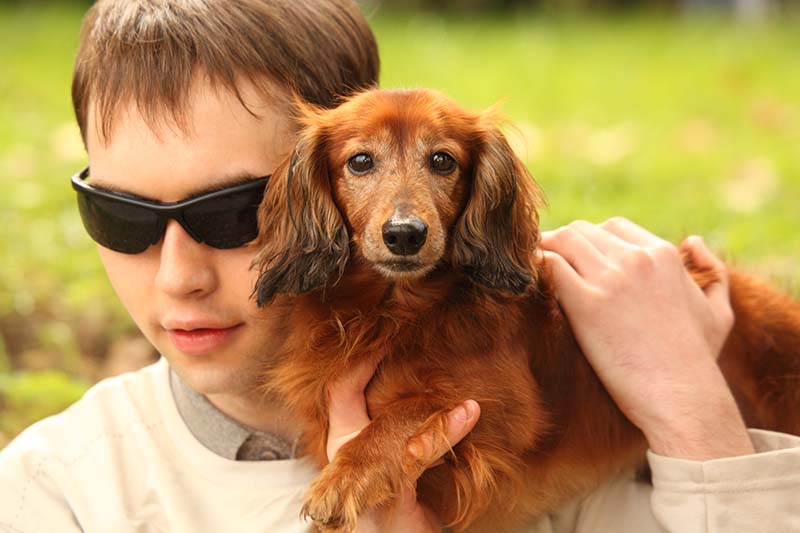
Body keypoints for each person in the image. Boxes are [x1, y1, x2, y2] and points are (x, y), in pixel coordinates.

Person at [1, 1, 798, 532]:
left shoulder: (572, 403)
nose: (179, 277)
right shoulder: (56, 491)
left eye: (235, 212)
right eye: (121, 215)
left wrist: (691, 410)